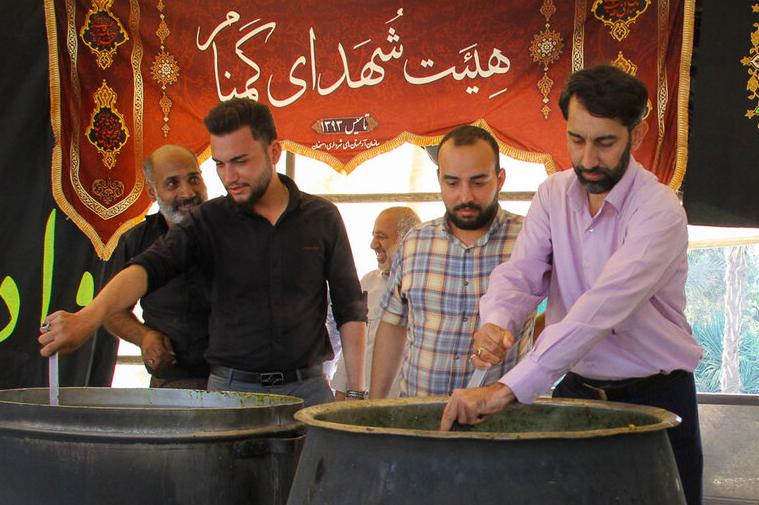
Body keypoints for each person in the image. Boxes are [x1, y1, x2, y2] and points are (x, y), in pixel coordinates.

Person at [440, 65, 708, 505]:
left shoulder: (660, 211)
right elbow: (521, 275)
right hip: (579, 391)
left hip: (656, 399)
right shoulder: (552, 194)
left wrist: (507, 389)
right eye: (576, 139)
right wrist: (497, 320)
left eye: (605, 142)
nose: (588, 159)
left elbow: (597, 312)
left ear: (638, 132)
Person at [39, 99, 368, 407]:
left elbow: (349, 306)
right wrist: (88, 316)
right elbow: (149, 267)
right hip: (231, 391)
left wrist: (355, 391)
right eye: (220, 165)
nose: (229, 177)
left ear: (274, 151)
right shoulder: (208, 221)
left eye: (240, 162)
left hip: (308, 389)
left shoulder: (321, 217)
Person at [369, 126, 534, 398]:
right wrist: (375, 406)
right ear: (439, 179)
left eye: (479, 183)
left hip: (500, 423)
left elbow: (560, 316)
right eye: (452, 183)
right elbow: (393, 326)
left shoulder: (529, 240)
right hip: (418, 419)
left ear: (500, 178)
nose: (465, 196)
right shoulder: (415, 242)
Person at [101, 145, 211, 389]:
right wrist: (144, 337)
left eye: (194, 179)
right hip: (173, 381)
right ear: (152, 191)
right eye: (172, 184)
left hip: (238, 381)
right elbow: (111, 312)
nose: (187, 192)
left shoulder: (235, 231)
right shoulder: (138, 241)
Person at [333, 206, 419, 399]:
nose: (373, 244)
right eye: (373, 235)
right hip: (363, 404)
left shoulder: (426, 287)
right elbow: (352, 345)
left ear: (407, 239)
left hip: (404, 407)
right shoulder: (367, 283)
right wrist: (340, 398)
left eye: (381, 236)